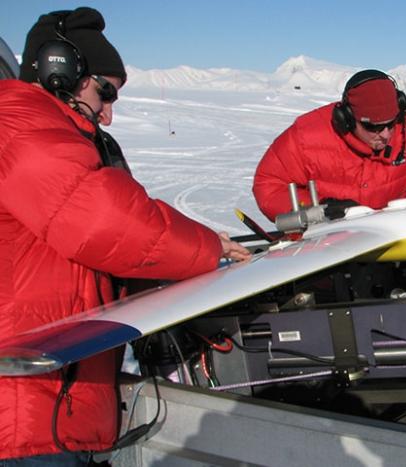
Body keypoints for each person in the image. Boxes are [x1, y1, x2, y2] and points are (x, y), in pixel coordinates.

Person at [0, 7, 250, 465]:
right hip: (22, 411)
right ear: (60, 69)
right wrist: (207, 249)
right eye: (105, 92)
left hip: (49, 401)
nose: (108, 114)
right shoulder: (20, 128)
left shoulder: (38, 130)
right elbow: (103, 220)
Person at [253, 69, 406, 221]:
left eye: (392, 123)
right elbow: (269, 185)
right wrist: (321, 210)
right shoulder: (307, 136)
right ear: (346, 119)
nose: (386, 134)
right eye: (373, 127)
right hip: (324, 250)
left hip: (389, 244)